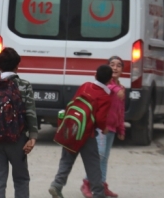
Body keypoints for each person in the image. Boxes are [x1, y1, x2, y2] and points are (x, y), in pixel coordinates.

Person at [0, 47, 37, 198]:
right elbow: (30, 112)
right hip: (18, 140)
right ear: (17, 65)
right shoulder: (24, 86)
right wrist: (33, 136)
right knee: (21, 179)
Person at [49, 65, 113, 198]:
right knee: (93, 164)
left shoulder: (85, 86)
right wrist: (104, 128)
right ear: (109, 80)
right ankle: (98, 193)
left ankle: (57, 184)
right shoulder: (105, 96)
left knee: (66, 159)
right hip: (87, 134)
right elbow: (100, 118)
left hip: (71, 129)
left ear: (95, 75)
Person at [81, 56, 125, 198]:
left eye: (119, 65)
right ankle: (87, 183)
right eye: (112, 64)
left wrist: (121, 128)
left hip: (112, 128)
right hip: (101, 127)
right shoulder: (107, 86)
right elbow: (109, 87)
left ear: (122, 70)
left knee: (105, 157)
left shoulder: (121, 89)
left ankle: (101, 184)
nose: (115, 68)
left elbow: (120, 111)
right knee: (98, 156)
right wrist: (117, 89)